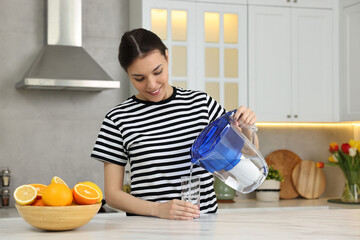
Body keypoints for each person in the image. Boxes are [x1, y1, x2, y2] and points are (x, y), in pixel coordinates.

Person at [91, 28, 258, 220]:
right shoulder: (117, 119)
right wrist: (158, 209)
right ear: (127, 74)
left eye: (157, 71)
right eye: (139, 78)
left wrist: (246, 126)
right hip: (147, 229)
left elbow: (248, 153)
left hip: (202, 227)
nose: (152, 85)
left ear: (167, 57)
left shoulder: (202, 104)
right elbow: (112, 195)